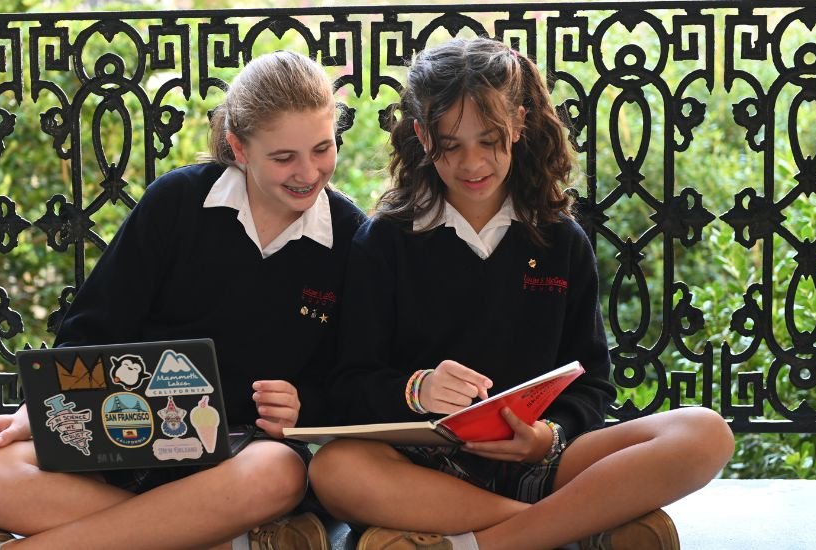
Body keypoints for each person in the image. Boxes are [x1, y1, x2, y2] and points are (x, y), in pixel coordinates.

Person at [0, 50, 367, 550]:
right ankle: (210, 540)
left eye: (322, 148)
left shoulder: (349, 237)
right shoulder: (177, 202)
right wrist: (39, 412)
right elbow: (92, 326)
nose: (309, 172)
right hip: (119, 436)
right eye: (284, 157)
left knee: (279, 474)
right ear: (239, 148)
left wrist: (303, 405)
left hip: (238, 460)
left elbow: (348, 380)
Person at [307, 37, 734, 550]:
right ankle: (575, 526)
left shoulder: (559, 240)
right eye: (451, 144)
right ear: (422, 135)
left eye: (489, 141)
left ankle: (480, 543)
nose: (473, 164)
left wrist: (545, 437)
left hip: (542, 461)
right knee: (334, 469)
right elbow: (349, 383)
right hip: (423, 468)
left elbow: (592, 384)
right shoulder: (385, 240)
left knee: (706, 433)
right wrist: (416, 389)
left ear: (518, 125)